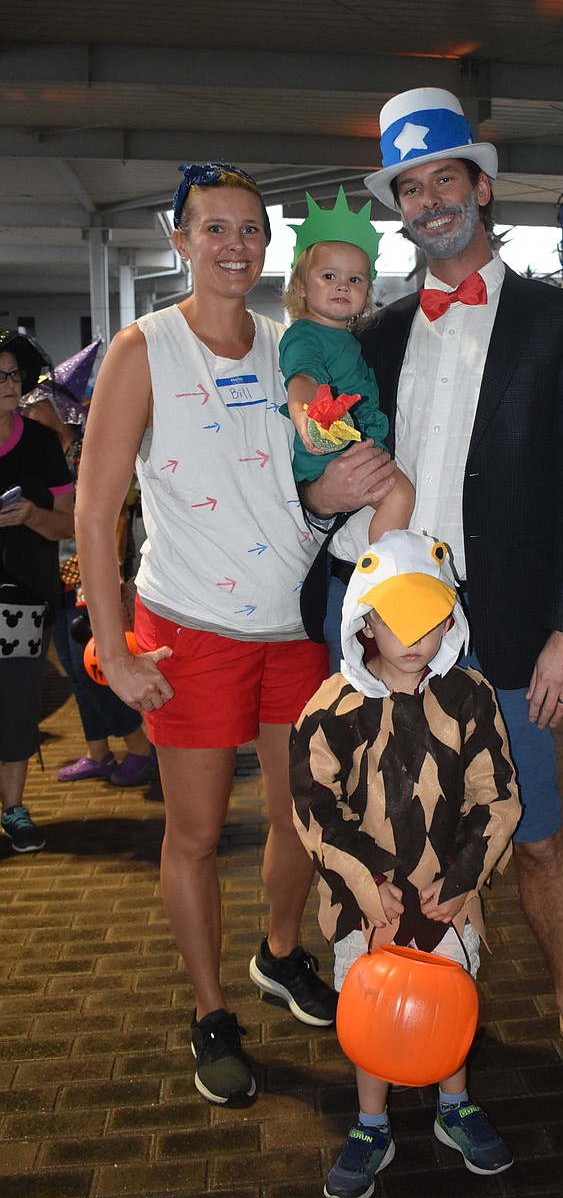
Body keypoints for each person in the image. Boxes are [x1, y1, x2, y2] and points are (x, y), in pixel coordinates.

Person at [300, 88, 563, 1109]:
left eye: (446, 176)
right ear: (400, 206)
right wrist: (318, 501)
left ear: (480, 188)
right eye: (412, 185)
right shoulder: (381, 332)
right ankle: (407, 1023)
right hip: (379, 622)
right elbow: (325, 475)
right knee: (390, 838)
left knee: (529, 829)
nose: (431, 198)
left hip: (509, 620)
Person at [75, 162, 336, 1107]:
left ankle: (278, 954)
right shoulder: (143, 351)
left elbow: (310, 478)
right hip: (189, 629)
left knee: (301, 815)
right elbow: (96, 511)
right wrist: (115, 647)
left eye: (250, 230)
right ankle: (210, 1011)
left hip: (294, 625)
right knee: (193, 834)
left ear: (269, 247)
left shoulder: (292, 346)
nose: (235, 246)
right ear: (179, 239)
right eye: (214, 229)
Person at [290, 530, 520, 1196]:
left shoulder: (470, 698)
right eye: (395, 618)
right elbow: (314, 809)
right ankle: (371, 1122)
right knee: (372, 1013)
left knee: (448, 998)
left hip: (447, 897)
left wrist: (458, 882)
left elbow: (497, 795)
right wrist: (367, 890)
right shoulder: (331, 710)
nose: (415, 635)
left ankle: (456, 1106)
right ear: (365, 621)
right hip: (366, 906)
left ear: (451, 617)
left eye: (430, 616)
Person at [20, 346, 156, 788]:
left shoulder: (84, 451)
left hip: (90, 574)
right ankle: (98, 751)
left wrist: (114, 578)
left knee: (93, 667)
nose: (29, 414)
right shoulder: (47, 453)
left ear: (56, 409)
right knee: (76, 671)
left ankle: (138, 747)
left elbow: (111, 519)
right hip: (57, 573)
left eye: (36, 407)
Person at [280, 187, 414, 545]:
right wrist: (308, 418)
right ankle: (384, 577)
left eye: (355, 279)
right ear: (301, 285)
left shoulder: (347, 337)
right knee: (400, 496)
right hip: (331, 450)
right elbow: (303, 378)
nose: (343, 285)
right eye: (329, 276)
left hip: (348, 446)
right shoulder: (305, 337)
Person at [0, 332, 75, 853]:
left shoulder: (41, 442)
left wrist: (31, 514)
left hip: (23, 601)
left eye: (12, 375)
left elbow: (67, 522)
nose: (10, 385)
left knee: (19, 703)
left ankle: (15, 808)